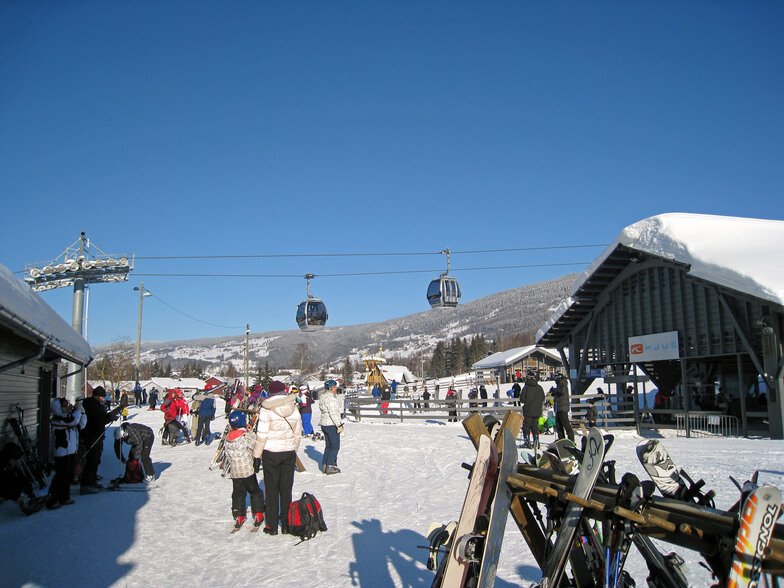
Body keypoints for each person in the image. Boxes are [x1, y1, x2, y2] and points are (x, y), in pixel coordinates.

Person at [253, 380, 302, 535]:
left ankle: (272, 526)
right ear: (284, 391)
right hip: (288, 452)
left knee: (272, 489)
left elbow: (262, 435)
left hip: (270, 453)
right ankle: (287, 524)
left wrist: (256, 455)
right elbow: (298, 432)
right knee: (286, 489)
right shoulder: (293, 407)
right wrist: (293, 448)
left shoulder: (266, 409)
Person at [224, 410, 265, 530]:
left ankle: (238, 515)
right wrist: (251, 432)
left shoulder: (228, 438)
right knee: (255, 491)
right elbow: (254, 444)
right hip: (247, 470)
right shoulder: (245, 435)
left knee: (238, 494)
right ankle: (258, 513)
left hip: (235, 472)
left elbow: (227, 454)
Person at [80, 386, 125, 494]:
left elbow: (103, 417)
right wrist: (111, 416)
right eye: (102, 397)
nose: (103, 399)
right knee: (92, 460)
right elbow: (100, 420)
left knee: (96, 459)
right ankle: (86, 484)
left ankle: (92, 481)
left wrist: (113, 414)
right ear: (97, 396)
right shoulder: (91, 405)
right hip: (91, 435)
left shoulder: (96, 404)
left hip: (97, 435)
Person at [47, 397, 85, 509]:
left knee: (67, 476)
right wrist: (77, 411)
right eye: (65, 405)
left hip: (71, 451)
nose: (69, 406)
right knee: (60, 476)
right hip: (62, 452)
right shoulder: (57, 420)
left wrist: (82, 411)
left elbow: (81, 424)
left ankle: (64, 497)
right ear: (59, 408)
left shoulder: (69, 418)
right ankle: (52, 499)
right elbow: (73, 422)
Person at [0, 442, 46, 515]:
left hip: (7, 485)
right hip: (2, 487)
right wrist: (18, 497)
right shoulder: (2, 465)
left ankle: (31, 498)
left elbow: (21, 477)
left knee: (21, 479)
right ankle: (21, 503)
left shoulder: (9, 463)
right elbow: (6, 484)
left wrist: (30, 492)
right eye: (14, 459)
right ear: (9, 456)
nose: (15, 461)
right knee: (11, 484)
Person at [319, 379, 344, 474]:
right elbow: (333, 413)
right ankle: (330, 466)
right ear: (330, 388)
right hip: (331, 424)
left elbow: (339, 404)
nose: (336, 388)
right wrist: (339, 425)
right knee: (335, 446)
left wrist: (336, 396)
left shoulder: (324, 397)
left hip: (324, 424)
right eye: (334, 387)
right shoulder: (330, 399)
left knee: (328, 446)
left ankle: (325, 464)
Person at [520, 371, 545, 449]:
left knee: (526, 426)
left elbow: (522, 400)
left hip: (528, 410)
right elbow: (543, 398)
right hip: (537, 410)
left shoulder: (526, 388)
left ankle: (527, 441)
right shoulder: (539, 387)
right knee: (535, 426)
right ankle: (536, 442)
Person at [552, 373, 575, 442]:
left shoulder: (563, 383)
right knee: (558, 425)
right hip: (558, 407)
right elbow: (559, 393)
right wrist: (554, 393)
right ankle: (561, 439)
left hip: (563, 408)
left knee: (565, 424)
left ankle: (571, 439)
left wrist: (555, 390)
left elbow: (561, 391)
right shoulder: (559, 385)